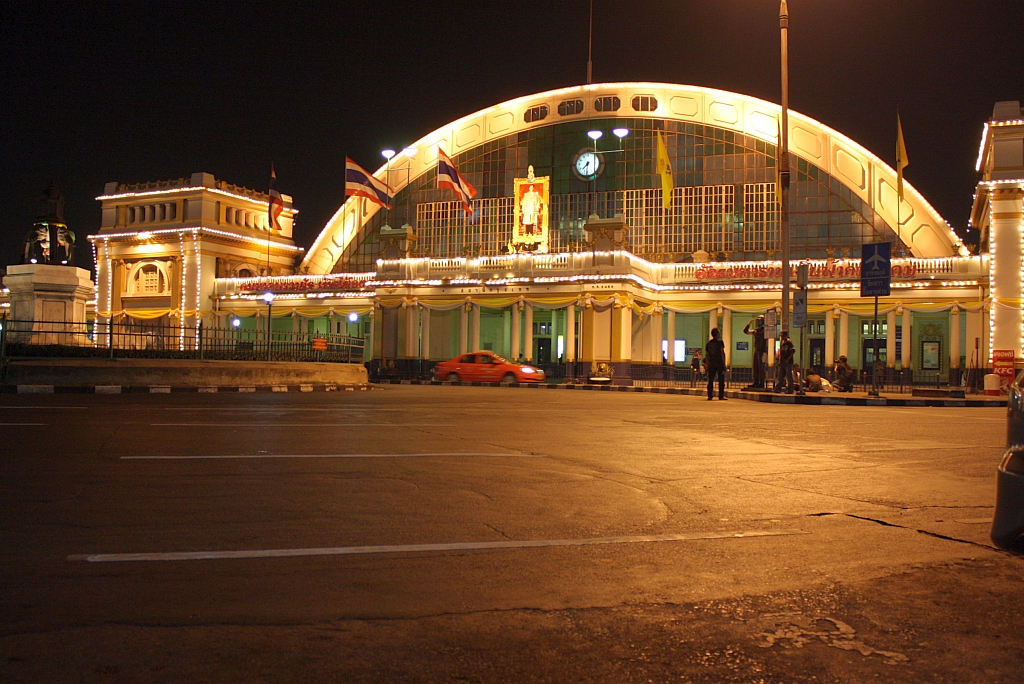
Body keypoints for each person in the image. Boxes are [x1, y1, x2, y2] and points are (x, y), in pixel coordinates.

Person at [743, 316, 767, 388]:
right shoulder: (756, 331)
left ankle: (761, 383)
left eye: (759, 320)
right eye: (757, 321)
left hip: (762, 350)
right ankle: (756, 382)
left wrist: (765, 352)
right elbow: (745, 331)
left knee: (761, 367)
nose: (758, 322)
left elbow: (766, 342)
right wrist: (749, 324)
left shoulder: (765, 331)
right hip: (756, 350)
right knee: (755, 367)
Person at [705, 328, 727, 401]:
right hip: (719, 363)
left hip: (711, 363)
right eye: (719, 333)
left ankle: (710, 395)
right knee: (721, 380)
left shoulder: (709, 343)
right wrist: (724, 364)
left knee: (710, 380)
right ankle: (721, 396)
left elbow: (707, 355)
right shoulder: (720, 342)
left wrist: (707, 365)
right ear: (717, 334)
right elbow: (722, 353)